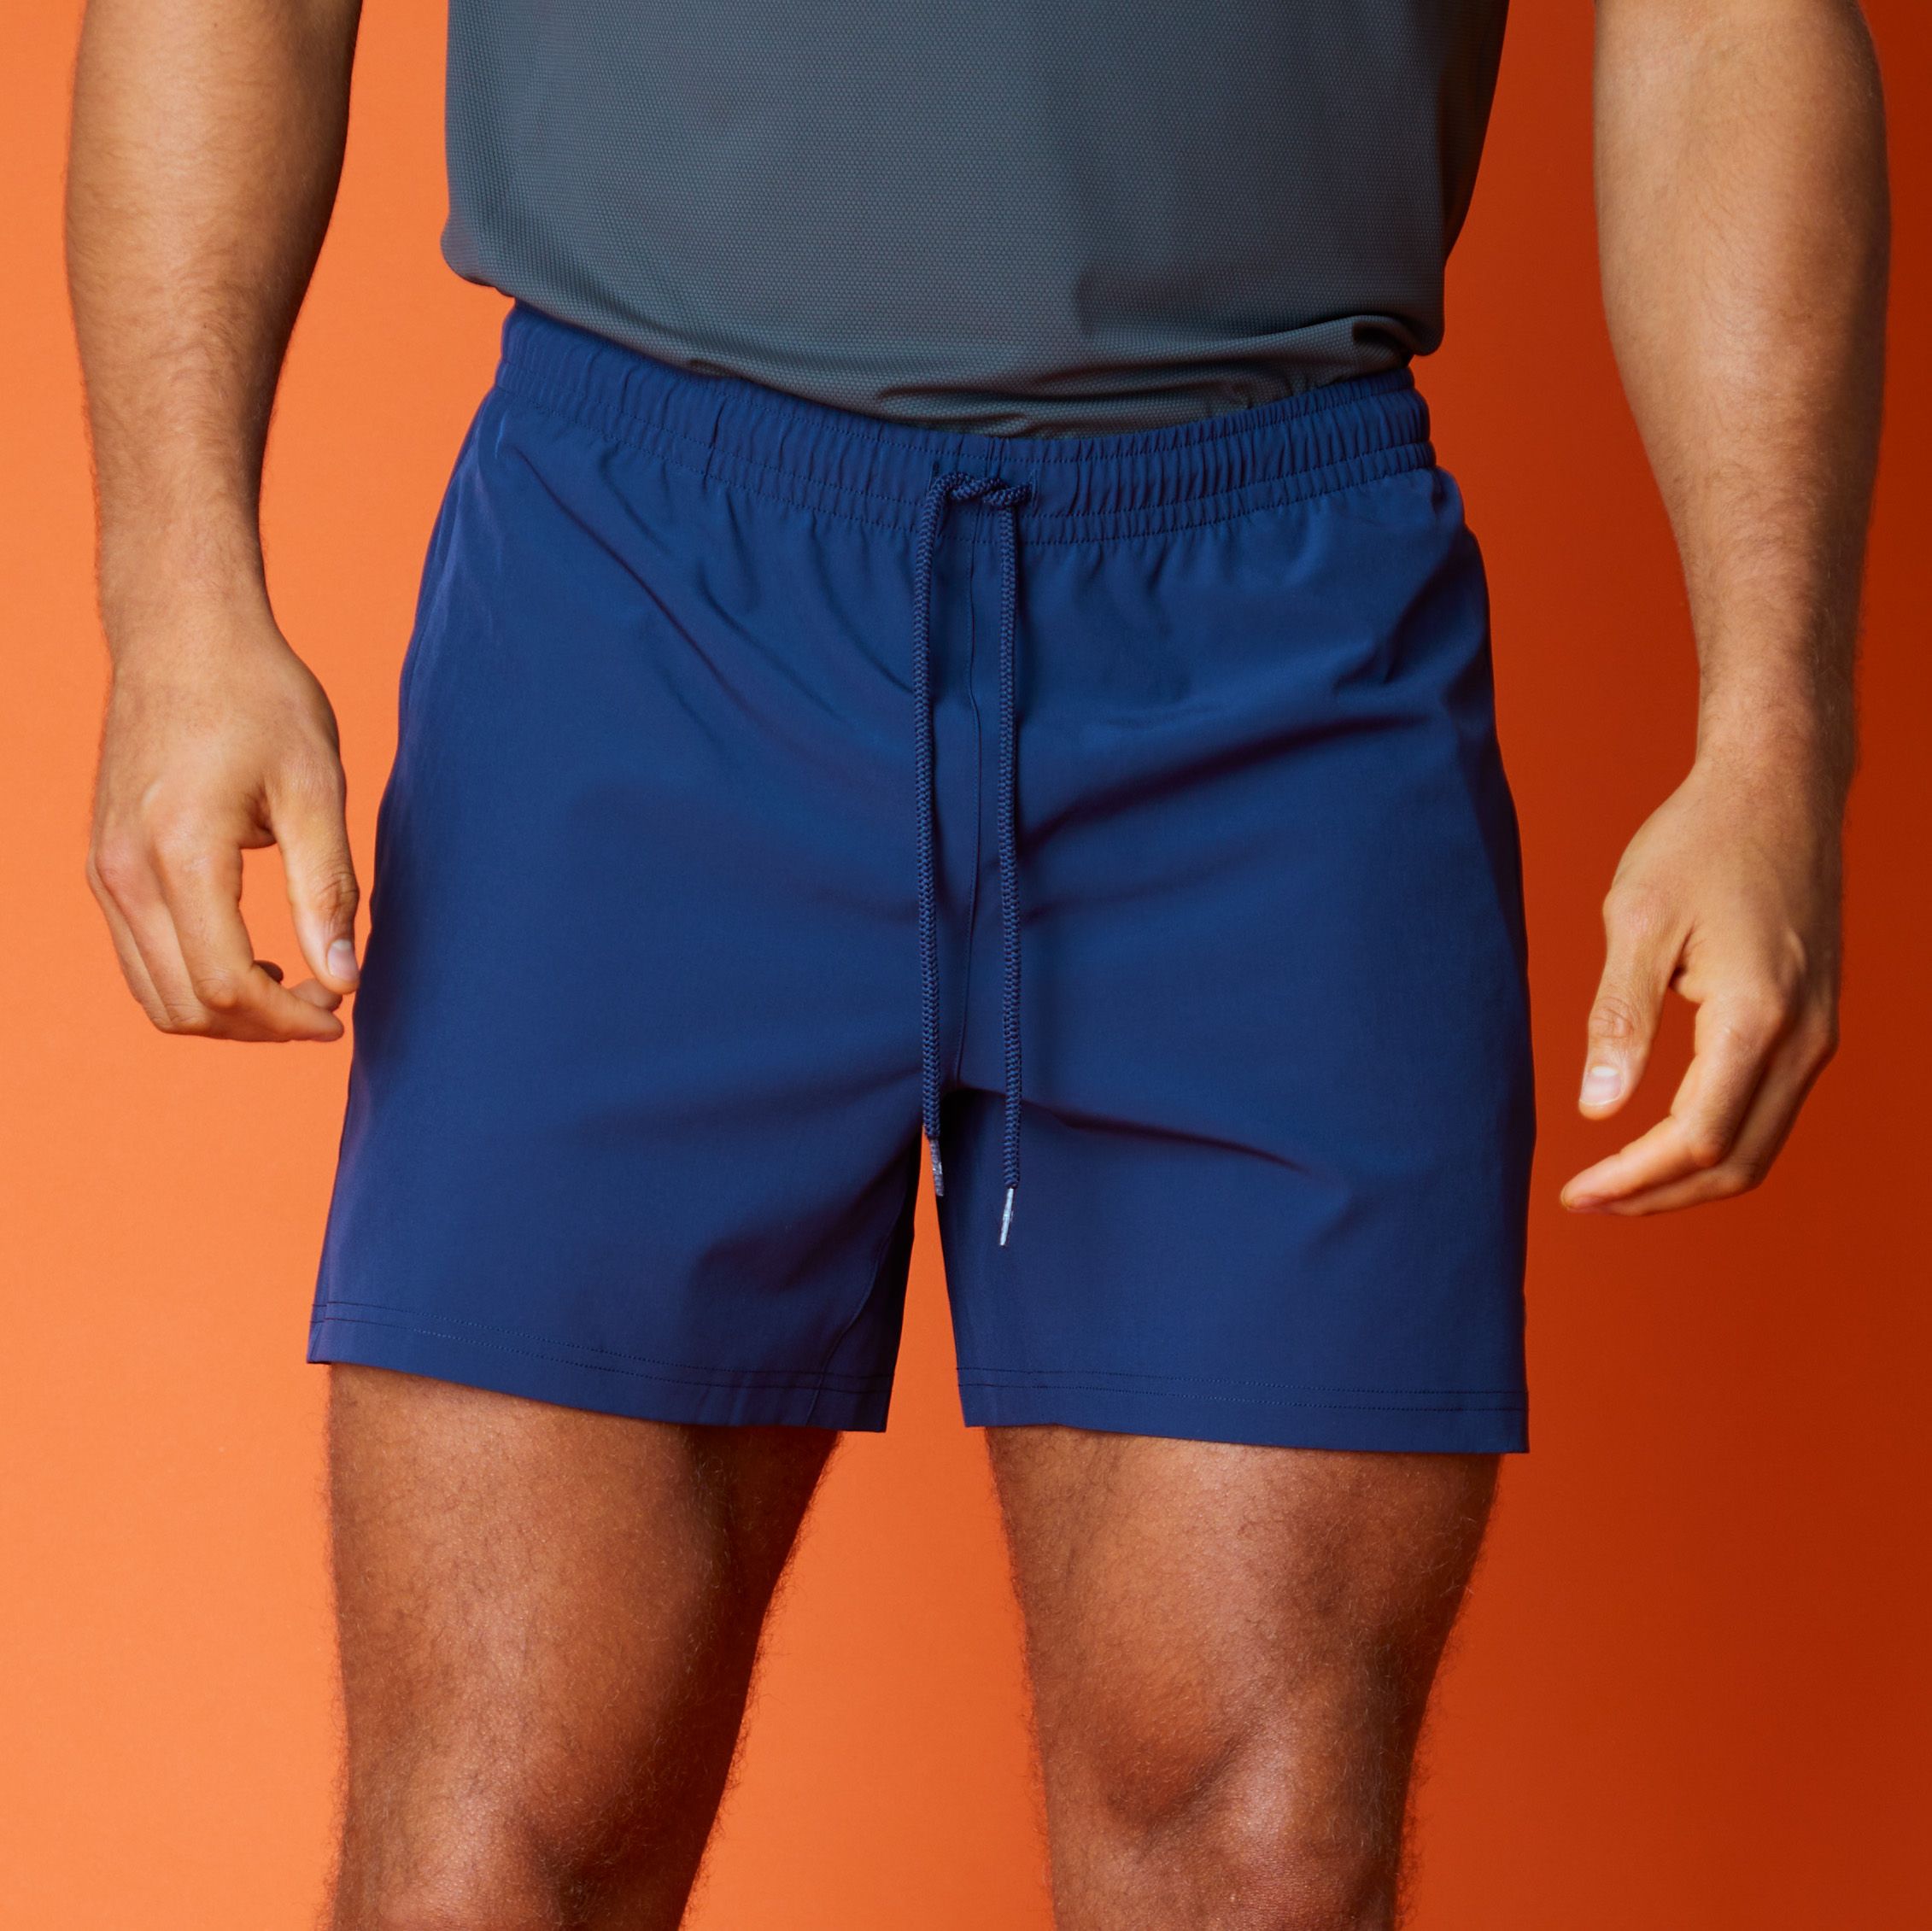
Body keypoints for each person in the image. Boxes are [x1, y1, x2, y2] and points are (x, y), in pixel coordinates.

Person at [66, 1, 1885, 1924]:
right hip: (641, 588)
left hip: (1275, 623)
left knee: (1257, 1856)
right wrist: (176, 595)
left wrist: (1773, 734)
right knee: (490, 1853)